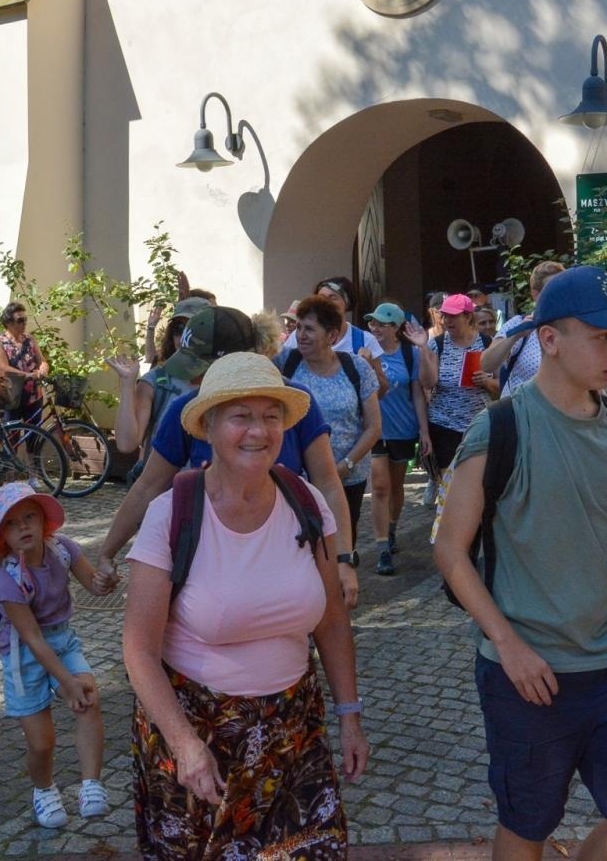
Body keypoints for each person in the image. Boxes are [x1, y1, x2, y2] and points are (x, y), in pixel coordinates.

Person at [434, 266, 607, 861]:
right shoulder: (498, 428)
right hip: (525, 673)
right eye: (602, 337)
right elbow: (449, 549)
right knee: (527, 828)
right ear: (549, 339)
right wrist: (509, 645)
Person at [121, 353, 367, 857]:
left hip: (293, 730)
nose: (259, 430)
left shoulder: (306, 502)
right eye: (241, 416)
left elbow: (332, 622)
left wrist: (349, 714)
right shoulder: (171, 515)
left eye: (271, 416)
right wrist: (185, 744)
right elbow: (138, 651)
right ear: (208, 426)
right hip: (199, 736)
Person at [93, 306, 359, 606]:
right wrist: (106, 552)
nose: (193, 379)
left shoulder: (294, 401)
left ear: (231, 361)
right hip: (211, 563)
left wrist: (342, 558)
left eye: (199, 368)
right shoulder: (187, 408)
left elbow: (327, 483)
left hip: (286, 553)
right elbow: (147, 486)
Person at [0, 481, 109, 829]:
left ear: (43, 522)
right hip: (24, 655)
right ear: (2, 536)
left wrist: (105, 579)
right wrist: (64, 682)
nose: (23, 526)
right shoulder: (8, 579)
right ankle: (43, 789)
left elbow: (94, 584)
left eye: (29, 517)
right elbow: (33, 639)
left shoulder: (62, 549)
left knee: (89, 698)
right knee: (42, 743)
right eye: (12, 522)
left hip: (62, 641)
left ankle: (90, 785)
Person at [284, 296, 382, 557]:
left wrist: (345, 465)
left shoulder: (356, 367)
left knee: (340, 546)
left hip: (348, 477)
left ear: (332, 335)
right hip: (298, 478)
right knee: (301, 548)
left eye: (309, 329)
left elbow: (373, 427)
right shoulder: (285, 364)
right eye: (299, 327)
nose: (301, 335)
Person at [107, 297, 212, 482]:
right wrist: (127, 384)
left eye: (193, 328)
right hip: (162, 492)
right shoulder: (158, 380)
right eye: (179, 329)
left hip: (211, 493)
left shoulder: (223, 378)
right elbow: (126, 443)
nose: (184, 337)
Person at [365, 302, 431, 576]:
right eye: (373, 323)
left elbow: (418, 393)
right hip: (375, 428)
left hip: (403, 428)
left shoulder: (409, 354)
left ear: (396, 328)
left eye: (382, 324)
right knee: (380, 486)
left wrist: (424, 430)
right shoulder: (368, 353)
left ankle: (392, 529)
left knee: (396, 485)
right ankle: (382, 548)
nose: (375, 328)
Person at [420, 293, 494, 469]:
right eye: (444, 315)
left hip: (479, 425)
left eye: (453, 316)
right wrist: (422, 348)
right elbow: (427, 384)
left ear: (468, 316)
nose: (447, 320)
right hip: (444, 425)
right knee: (449, 484)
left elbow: (503, 384)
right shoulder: (437, 344)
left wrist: (487, 382)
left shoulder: (486, 342)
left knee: (479, 481)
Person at [481, 260, 567, 399]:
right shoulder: (519, 324)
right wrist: (516, 335)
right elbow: (486, 364)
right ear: (535, 294)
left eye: (564, 288)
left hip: (560, 415)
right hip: (520, 415)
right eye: (553, 289)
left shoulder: (573, 326)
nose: (560, 294)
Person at [0, 302, 50, 425]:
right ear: (8, 322)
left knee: (35, 438)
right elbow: (4, 368)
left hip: (33, 396)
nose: (24, 323)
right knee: (11, 439)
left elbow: (42, 360)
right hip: (11, 397)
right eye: (20, 320)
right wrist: (28, 375)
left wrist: (43, 369)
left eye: (25, 319)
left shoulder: (30, 339)